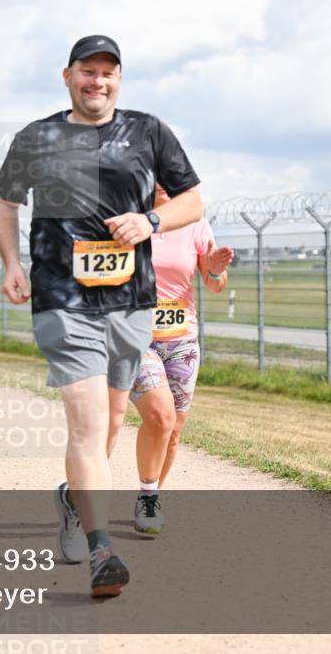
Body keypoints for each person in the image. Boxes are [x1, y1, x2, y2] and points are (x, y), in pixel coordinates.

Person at [0, 35, 202, 597]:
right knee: (86, 422)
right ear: (68, 76)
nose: (97, 81)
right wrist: (13, 262)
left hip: (132, 301)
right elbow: (5, 203)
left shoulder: (149, 131)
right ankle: (103, 551)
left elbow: (193, 200)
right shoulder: (37, 137)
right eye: (88, 71)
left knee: (110, 422)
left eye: (108, 73)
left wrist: (151, 223)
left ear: (120, 80)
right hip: (63, 297)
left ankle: (72, 499)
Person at [125, 190, 233, 536]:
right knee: (160, 416)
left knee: (173, 431)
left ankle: (150, 494)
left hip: (182, 338)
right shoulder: (129, 219)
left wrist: (215, 271)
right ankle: (139, 492)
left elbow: (214, 284)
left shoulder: (195, 223)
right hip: (136, 335)